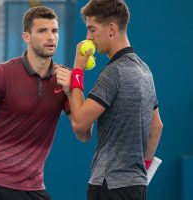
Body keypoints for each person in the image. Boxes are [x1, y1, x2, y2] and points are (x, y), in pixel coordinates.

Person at [0, 6, 81, 200]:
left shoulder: (63, 80)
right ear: (26, 36)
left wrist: (73, 89)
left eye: (54, 30)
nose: (51, 37)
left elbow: (83, 132)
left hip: (33, 186)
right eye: (42, 31)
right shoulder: (1, 74)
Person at [68, 0, 163, 199]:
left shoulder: (113, 73)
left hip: (107, 185)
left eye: (92, 29)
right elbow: (156, 127)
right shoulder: (146, 71)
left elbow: (79, 123)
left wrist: (77, 70)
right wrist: (142, 169)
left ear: (111, 29)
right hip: (137, 185)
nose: (88, 37)